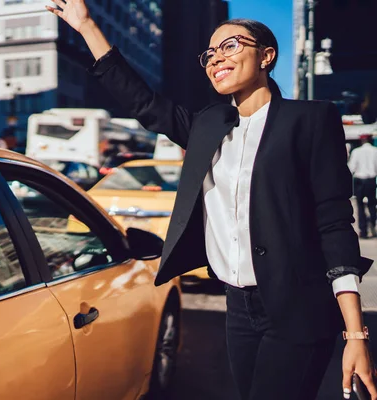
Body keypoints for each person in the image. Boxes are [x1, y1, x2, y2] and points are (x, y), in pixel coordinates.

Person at [46, 2, 376, 399]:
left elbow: (334, 222)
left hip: (297, 305)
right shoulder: (208, 124)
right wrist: (85, 27)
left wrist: (355, 333)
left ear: (267, 56)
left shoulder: (310, 119)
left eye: (231, 45)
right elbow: (144, 103)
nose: (216, 57)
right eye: (210, 53)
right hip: (237, 306)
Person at [348, 134, 377, 238]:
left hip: (359, 181)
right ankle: (373, 221)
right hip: (371, 180)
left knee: (360, 206)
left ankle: (363, 230)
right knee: (372, 204)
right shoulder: (375, 151)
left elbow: (351, 168)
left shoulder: (356, 152)